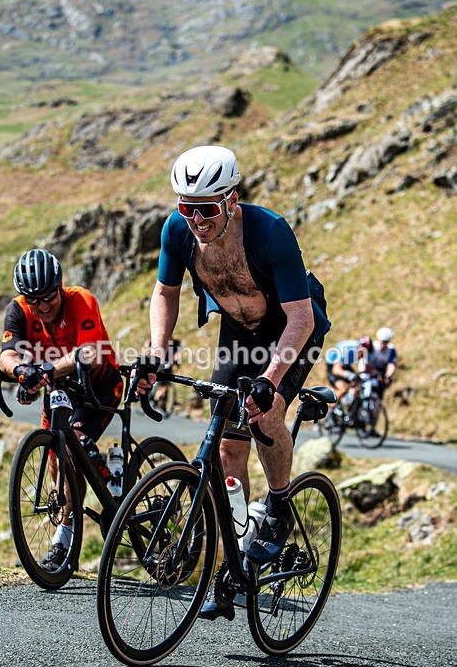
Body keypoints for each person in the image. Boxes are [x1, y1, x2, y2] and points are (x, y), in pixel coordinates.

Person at [135, 145, 331, 620]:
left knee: (265, 413)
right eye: (186, 207)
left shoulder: (269, 232)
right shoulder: (177, 230)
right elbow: (165, 292)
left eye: (205, 208)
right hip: (236, 330)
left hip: (290, 327)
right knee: (226, 447)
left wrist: (270, 379)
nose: (195, 219)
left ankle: (280, 505)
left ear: (232, 199)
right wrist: (158, 351)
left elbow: (302, 317)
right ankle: (233, 568)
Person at [0, 248, 123, 571]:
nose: (43, 306)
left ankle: (68, 534)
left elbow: (89, 353)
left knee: (74, 442)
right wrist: (22, 373)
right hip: (60, 389)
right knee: (56, 462)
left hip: (100, 386)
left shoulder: (80, 300)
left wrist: (46, 371)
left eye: (49, 296)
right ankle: (68, 538)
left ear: (60, 286)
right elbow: (7, 355)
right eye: (34, 299)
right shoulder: (19, 310)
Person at [359, 326, 397, 396]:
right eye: (382, 342)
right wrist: (374, 373)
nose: (384, 344)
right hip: (368, 369)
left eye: (386, 342)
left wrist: (388, 376)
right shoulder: (372, 347)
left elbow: (392, 364)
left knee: (380, 388)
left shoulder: (391, 349)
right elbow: (366, 362)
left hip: (380, 371)